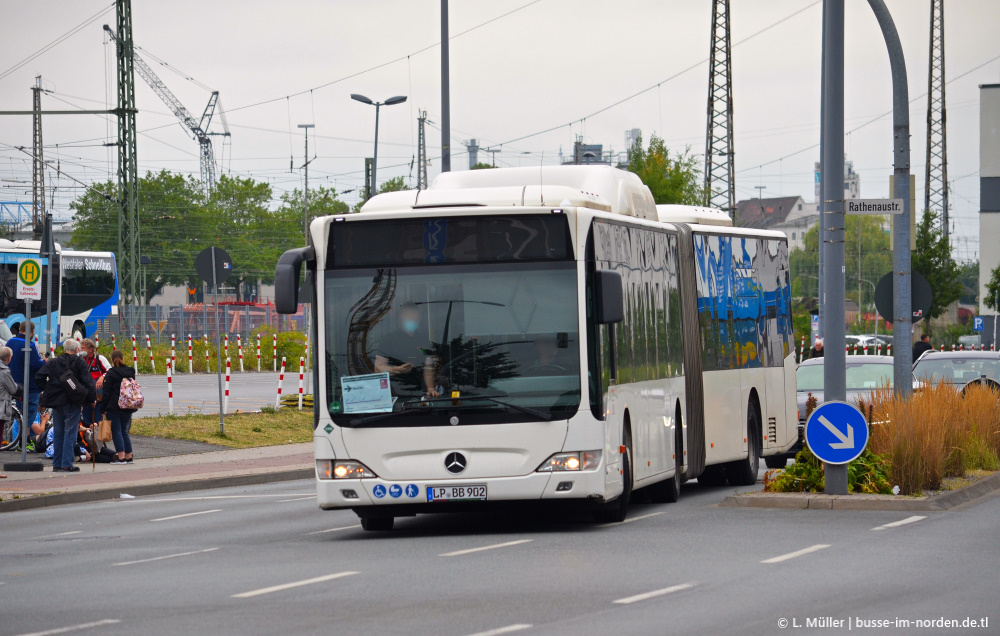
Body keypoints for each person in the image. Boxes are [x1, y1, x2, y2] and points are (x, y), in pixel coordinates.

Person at [34, 339, 95, 473]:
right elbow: (87, 381)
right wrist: (91, 399)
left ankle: (57, 464)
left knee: (59, 432)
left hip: (57, 402)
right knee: (70, 432)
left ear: (64, 349)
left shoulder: (54, 362)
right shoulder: (80, 362)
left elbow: (39, 377)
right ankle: (67, 464)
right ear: (77, 350)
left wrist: (48, 388)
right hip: (73, 401)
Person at [373, 303, 439, 397]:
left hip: (421, 394)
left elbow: (428, 367)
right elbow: (378, 368)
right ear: (401, 317)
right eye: (408, 315)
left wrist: (431, 388)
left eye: (415, 315)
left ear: (419, 317)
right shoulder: (388, 340)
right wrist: (397, 369)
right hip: (395, 393)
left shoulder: (423, 340)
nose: (412, 318)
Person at [7, 322, 45, 442]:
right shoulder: (30, 345)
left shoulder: (10, 342)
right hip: (30, 386)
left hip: (14, 384)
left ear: (19, 329)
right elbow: (36, 365)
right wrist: (45, 361)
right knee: (29, 415)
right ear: (32, 331)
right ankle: (24, 442)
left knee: (19, 414)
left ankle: (18, 440)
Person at [99, 350, 137, 465]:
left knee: (117, 431)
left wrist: (103, 408)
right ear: (123, 358)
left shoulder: (111, 373)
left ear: (112, 360)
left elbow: (106, 392)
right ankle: (129, 456)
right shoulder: (130, 371)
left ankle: (121, 457)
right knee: (124, 431)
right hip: (128, 405)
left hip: (114, 406)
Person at [79, 338, 110, 426]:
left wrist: (102, 377)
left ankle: (98, 433)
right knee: (86, 418)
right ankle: (87, 435)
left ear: (90, 349)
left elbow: (110, 370)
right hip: (85, 392)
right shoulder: (80, 360)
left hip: (98, 392)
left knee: (98, 417)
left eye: (83, 348)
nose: (81, 350)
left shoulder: (99, 359)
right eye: (80, 348)